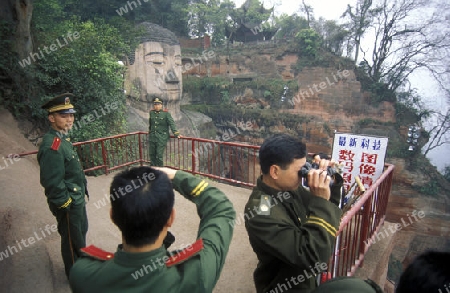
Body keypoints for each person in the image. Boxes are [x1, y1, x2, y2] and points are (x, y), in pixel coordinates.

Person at [69, 166, 236, 292]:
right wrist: (176, 176)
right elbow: (221, 209)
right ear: (171, 218)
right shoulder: (196, 274)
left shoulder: (82, 274)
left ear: (113, 216)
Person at [244, 134, 343, 293]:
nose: (305, 174)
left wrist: (331, 180)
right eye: (300, 170)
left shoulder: (290, 189)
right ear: (275, 171)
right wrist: (320, 200)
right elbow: (314, 258)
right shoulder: (261, 211)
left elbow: (326, 212)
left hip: (305, 281)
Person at [37, 93, 88, 278]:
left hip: (76, 198)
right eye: (64, 115)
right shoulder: (52, 145)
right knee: (71, 240)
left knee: (80, 234)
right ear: (52, 118)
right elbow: (51, 181)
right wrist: (64, 203)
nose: (69, 119)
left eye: (71, 115)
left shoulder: (62, 139)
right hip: (69, 203)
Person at [148, 97, 181, 166]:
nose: (157, 106)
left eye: (158, 104)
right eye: (155, 104)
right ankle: (153, 169)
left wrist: (176, 133)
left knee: (159, 155)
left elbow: (172, 123)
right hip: (152, 137)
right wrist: (150, 132)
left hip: (162, 137)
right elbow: (151, 124)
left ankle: (160, 171)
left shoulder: (166, 114)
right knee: (152, 154)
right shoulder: (151, 113)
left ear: (161, 105)